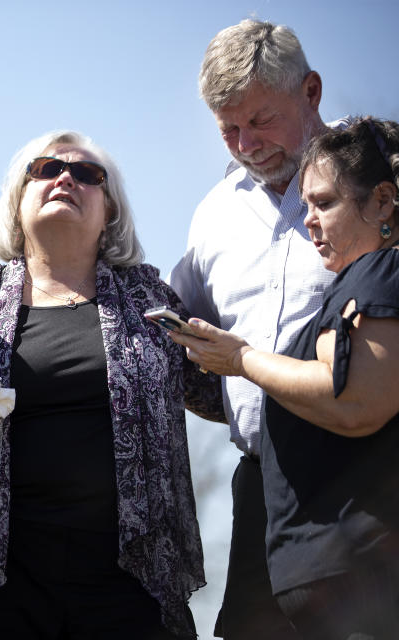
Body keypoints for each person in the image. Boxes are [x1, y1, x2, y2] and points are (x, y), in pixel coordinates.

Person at [0, 129, 222, 640]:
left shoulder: (150, 297)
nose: (66, 178)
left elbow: (222, 392)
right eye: (47, 169)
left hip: (129, 582)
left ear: (110, 211)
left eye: (87, 174)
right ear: (17, 199)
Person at [169, 117, 399, 639]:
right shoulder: (359, 280)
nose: (309, 221)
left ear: (383, 202)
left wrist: (242, 360)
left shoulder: (383, 273)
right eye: (307, 205)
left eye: (325, 203)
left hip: (361, 588)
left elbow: (356, 403)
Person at [169, 19, 347, 639]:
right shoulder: (213, 214)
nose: (245, 144)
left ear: (312, 91)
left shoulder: (378, 182)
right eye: (227, 129)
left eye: (261, 120)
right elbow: (186, 341)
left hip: (370, 478)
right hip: (261, 489)